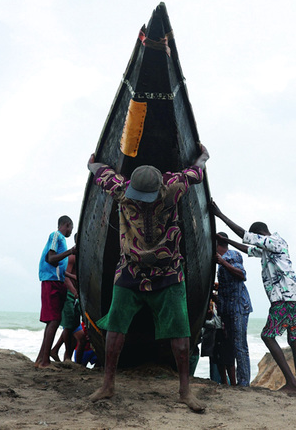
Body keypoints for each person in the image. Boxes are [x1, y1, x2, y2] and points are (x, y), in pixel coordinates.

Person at [86, 144, 210, 413]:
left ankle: (185, 391)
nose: (142, 200)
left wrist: (203, 156)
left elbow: (196, 172)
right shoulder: (125, 189)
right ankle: (108, 385)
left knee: (180, 333)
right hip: (130, 271)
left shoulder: (171, 187)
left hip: (168, 273)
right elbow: (100, 173)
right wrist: (93, 163)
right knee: (115, 328)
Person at [211, 202, 296, 397]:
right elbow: (248, 249)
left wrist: (220, 215)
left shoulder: (274, 241)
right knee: (294, 339)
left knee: (267, 336)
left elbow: (245, 236)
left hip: (284, 298)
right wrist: (226, 241)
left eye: (257, 239)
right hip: (294, 297)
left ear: (261, 234)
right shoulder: (269, 249)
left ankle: (292, 384)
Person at [35, 215, 76, 368]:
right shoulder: (56, 236)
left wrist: (72, 276)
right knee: (54, 320)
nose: (71, 231)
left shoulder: (62, 241)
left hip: (56, 281)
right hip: (51, 281)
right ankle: (45, 361)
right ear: (67, 225)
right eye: (71, 228)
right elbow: (50, 258)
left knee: (53, 320)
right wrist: (71, 251)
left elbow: (58, 266)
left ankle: (40, 359)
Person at [215, 231, 253, 387]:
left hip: (238, 307)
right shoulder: (221, 260)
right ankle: (238, 381)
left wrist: (223, 263)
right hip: (229, 308)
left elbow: (242, 275)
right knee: (232, 345)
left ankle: (244, 382)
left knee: (240, 345)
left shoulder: (232, 255)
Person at [51, 235, 86, 363]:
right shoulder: (72, 256)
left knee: (72, 326)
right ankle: (67, 356)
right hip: (69, 294)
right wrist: (74, 292)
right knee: (70, 327)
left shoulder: (83, 257)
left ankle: (57, 351)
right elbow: (65, 277)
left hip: (76, 295)